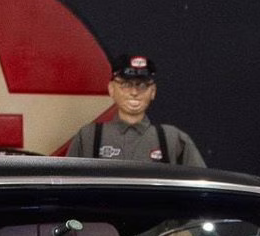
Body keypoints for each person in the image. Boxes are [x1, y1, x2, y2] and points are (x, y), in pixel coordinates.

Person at [65, 54, 206, 166]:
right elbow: (68, 187)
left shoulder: (173, 140)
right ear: (111, 89)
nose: (134, 92)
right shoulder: (89, 137)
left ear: (153, 91)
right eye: (126, 84)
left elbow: (200, 188)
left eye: (142, 85)